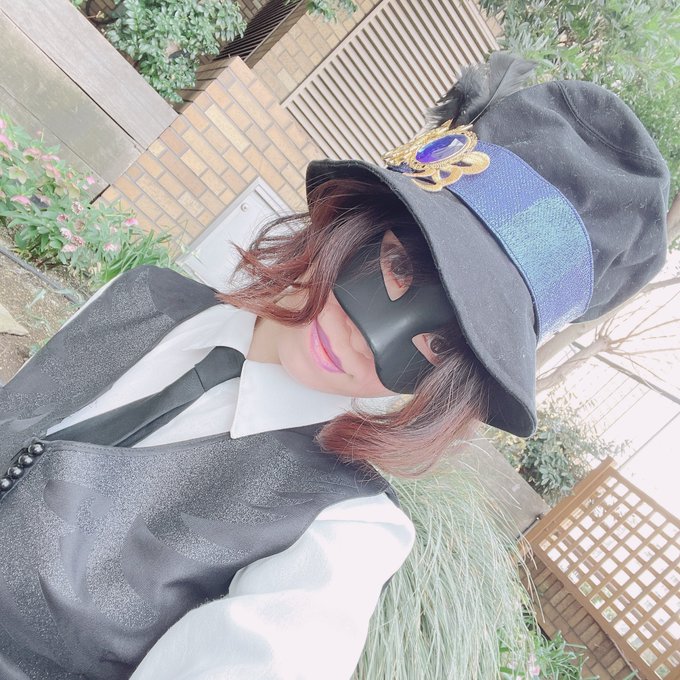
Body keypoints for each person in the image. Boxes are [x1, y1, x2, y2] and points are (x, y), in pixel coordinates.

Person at [0, 53, 669, 679]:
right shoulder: (141, 297)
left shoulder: (338, 537)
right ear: (354, 219)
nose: (365, 340)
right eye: (399, 264)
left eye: (442, 345)